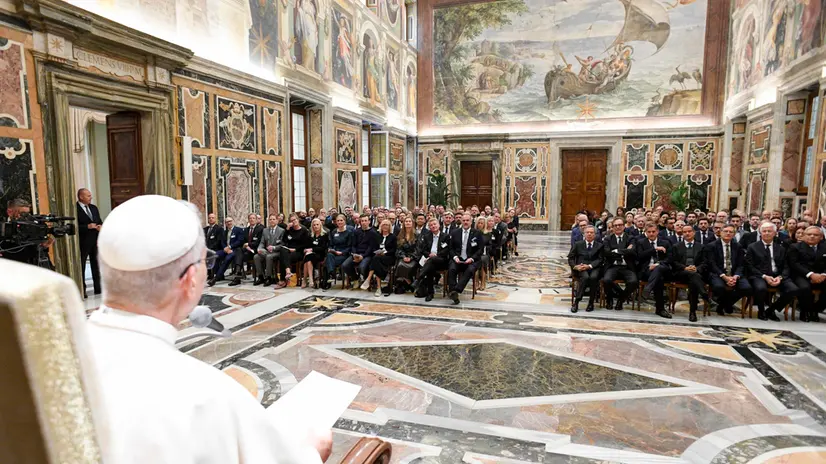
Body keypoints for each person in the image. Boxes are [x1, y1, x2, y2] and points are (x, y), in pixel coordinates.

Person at [87, 195, 331, 463]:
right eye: (207, 261)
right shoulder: (206, 397)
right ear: (191, 280)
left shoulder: (58, 355)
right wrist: (311, 450)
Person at [745, 222, 798, 321]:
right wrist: (765, 276)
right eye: (764, 231)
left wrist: (780, 277)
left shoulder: (781, 248)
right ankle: (761, 311)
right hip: (759, 275)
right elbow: (750, 266)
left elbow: (786, 266)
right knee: (760, 288)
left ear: (775, 233)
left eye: (769, 231)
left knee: (793, 289)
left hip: (777, 275)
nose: (767, 233)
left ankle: (771, 309)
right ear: (760, 233)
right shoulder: (752, 247)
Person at [704, 224, 752, 315]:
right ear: (720, 232)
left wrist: (736, 276)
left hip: (734, 274)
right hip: (718, 273)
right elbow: (711, 264)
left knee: (746, 288)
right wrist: (724, 276)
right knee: (719, 287)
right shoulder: (711, 246)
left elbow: (741, 264)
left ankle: (724, 305)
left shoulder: (738, 246)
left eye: (731, 232)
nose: (728, 233)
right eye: (726, 231)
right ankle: (726, 304)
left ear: (734, 234)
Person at [668, 225, 706, 322]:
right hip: (681, 274)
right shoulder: (676, 246)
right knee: (694, 278)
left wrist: (696, 268)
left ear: (694, 233)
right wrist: (685, 268)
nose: (687, 233)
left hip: (695, 273)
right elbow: (673, 262)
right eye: (685, 232)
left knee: (693, 282)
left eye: (689, 231)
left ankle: (692, 312)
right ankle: (703, 293)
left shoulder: (701, 246)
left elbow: (705, 262)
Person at [787, 226, 826, 322]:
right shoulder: (795, 247)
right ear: (804, 236)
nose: (812, 236)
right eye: (809, 234)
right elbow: (794, 264)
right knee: (805, 288)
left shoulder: (825, 247)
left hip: (822, 275)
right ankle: (805, 311)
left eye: (815, 235)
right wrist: (811, 274)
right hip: (801, 275)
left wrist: (824, 275)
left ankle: (815, 310)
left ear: (821, 237)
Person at [601, 218, 638, 311]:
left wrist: (617, 251)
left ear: (624, 226)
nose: (618, 227)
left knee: (633, 282)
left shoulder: (630, 238)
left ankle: (621, 300)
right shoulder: (607, 238)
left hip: (627, 267)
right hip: (612, 266)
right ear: (612, 227)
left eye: (620, 225)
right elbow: (606, 253)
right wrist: (626, 250)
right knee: (606, 280)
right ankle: (609, 299)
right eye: (615, 225)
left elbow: (633, 252)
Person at [636, 224, 671, 319]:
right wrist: (654, 249)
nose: (651, 234)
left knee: (658, 269)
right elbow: (639, 256)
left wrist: (657, 264)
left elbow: (669, 259)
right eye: (649, 232)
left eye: (653, 231)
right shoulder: (640, 242)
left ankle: (647, 289)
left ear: (657, 231)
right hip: (646, 270)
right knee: (659, 280)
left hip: (662, 268)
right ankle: (660, 309)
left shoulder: (665, 242)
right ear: (646, 233)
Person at [447, 213, 482, 305]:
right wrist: (455, 257)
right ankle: (453, 292)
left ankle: (456, 290)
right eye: (464, 220)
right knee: (452, 268)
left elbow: (480, 250)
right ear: (461, 221)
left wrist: (472, 258)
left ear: (471, 222)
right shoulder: (455, 232)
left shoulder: (477, 233)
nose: (465, 222)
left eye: (467, 220)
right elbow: (450, 248)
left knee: (470, 270)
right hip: (458, 258)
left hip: (471, 260)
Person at [567, 225, 603, 313]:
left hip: (594, 267)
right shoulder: (578, 244)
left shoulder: (600, 245)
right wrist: (575, 266)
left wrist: (590, 266)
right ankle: (576, 302)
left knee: (593, 278)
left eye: (591, 232)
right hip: (581, 268)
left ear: (595, 234)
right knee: (585, 277)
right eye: (587, 232)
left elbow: (600, 259)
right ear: (584, 234)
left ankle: (591, 303)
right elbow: (570, 258)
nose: (589, 234)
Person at [415, 218, 450, 301]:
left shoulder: (445, 236)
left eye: (434, 224)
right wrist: (429, 255)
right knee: (430, 267)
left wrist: (436, 255)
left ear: (439, 225)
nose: (433, 226)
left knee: (430, 262)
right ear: (429, 227)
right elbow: (423, 250)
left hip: (442, 260)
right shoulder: (427, 236)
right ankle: (430, 293)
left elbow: (446, 250)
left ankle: (419, 278)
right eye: (431, 225)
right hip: (430, 261)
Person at [77, 188, 103, 297]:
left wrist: (100, 226)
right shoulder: (75, 208)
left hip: (95, 240)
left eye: (90, 195)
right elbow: (75, 226)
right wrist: (86, 227)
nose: (90, 198)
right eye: (88, 196)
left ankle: (98, 288)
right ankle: (82, 289)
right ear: (81, 197)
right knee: (82, 265)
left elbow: (99, 220)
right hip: (83, 242)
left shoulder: (93, 208)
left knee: (96, 264)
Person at [343, 215, 378, 288]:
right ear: (360, 222)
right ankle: (355, 279)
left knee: (362, 267)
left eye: (365, 221)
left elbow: (371, 247)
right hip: (356, 254)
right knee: (345, 265)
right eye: (362, 221)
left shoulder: (373, 233)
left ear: (369, 221)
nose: (364, 222)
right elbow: (353, 245)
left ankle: (367, 280)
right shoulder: (356, 231)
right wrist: (355, 254)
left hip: (367, 255)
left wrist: (363, 256)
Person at [364, 219, 397, 296]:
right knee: (376, 260)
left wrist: (385, 253)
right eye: (383, 225)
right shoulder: (377, 236)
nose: (385, 226)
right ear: (381, 226)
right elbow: (373, 247)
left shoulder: (393, 237)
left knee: (376, 260)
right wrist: (378, 252)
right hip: (378, 256)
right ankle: (378, 288)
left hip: (389, 257)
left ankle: (369, 279)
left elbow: (394, 250)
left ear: (390, 227)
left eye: (387, 225)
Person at [208, 217, 244, 286]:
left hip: (234, 250)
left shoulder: (238, 230)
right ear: (225, 223)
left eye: (230, 221)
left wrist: (230, 247)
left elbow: (240, 241)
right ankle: (220, 275)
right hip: (225, 250)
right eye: (227, 222)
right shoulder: (224, 232)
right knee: (214, 255)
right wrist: (225, 248)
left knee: (227, 259)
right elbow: (222, 241)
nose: (229, 223)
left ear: (233, 221)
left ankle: (215, 278)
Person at [230, 214, 264, 286]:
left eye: (253, 218)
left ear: (256, 220)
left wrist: (248, 244)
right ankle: (238, 273)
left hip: (254, 251)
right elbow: (242, 241)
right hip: (246, 251)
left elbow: (258, 242)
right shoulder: (246, 230)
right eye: (250, 218)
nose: (252, 219)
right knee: (238, 251)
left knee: (239, 255)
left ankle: (237, 275)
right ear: (248, 220)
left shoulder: (260, 229)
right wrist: (244, 245)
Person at [278, 214, 310, 288]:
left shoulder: (304, 230)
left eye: (294, 220)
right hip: (288, 250)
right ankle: (288, 272)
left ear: (298, 220)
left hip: (299, 251)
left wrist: (295, 249)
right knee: (283, 250)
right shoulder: (290, 229)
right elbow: (284, 241)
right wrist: (287, 230)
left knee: (283, 257)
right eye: (291, 221)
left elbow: (306, 244)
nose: (293, 222)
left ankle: (283, 280)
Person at [322, 214, 353, 289]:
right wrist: (331, 249)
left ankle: (328, 279)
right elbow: (331, 244)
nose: (339, 222)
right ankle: (332, 274)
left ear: (345, 221)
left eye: (341, 220)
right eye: (338, 221)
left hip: (344, 254)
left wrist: (342, 252)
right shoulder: (334, 231)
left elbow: (350, 246)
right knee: (329, 255)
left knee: (327, 263)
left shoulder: (349, 232)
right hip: (334, 252)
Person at [255, 215, 285, 286]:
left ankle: (269, 277)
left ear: (277, 221)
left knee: (269, 257)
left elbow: (282, 245)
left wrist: (274, 247)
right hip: (267, 251)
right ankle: (260, 276)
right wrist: (260, 248)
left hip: (277, 252)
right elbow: (262, 242)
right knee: (256, 256)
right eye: (270, 219)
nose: (272, 221)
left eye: (273, 219)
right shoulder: (265, 230)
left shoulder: (281, 231)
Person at [394, 217, 419, 293]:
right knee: (400, 265)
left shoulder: (417, 234)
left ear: (412, 223)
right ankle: (408, 282)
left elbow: (418, 249)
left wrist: (411, 257)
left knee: (410, 265)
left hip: (413, 257)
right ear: (404, 223)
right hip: (403, 256)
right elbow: (398, 249)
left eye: (409, 221)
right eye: (406, 221)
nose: (408, 223)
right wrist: (403, 257)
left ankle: (406, 282)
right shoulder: (400, 234)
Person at [302, 218, 328, 288]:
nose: (316, 226)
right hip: (311, 255)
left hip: (320, 255)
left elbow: (323, 248)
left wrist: (312, 249)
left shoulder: (324, 235)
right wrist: (306, 249)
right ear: (312, 226)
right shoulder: (311, 235)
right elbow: (307, 246)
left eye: (317, 225)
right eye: (314, 225)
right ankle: (310, 279)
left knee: (307, 257)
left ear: (320, 225)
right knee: (308, 257)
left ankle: (305, 279)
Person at [476, 217, 492, 291]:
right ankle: (476, 283)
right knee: (475, 261)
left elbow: (490, 245)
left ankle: (482, 282)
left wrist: (485, 248)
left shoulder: (487, 234)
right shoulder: (474, 232)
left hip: (484, 254)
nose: (480, 225)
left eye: (481, 223)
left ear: (484, 224)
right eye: (478, 223)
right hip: (475, 253)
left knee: (482, 261)